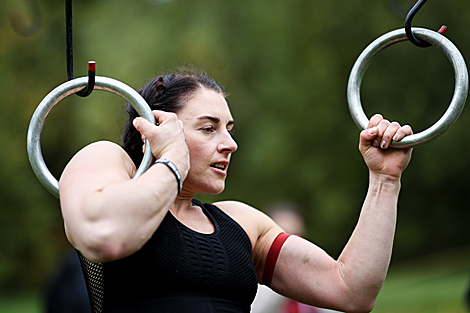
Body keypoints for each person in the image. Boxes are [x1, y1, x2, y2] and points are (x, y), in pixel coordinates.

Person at [59, 67, 413, 313]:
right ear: (153, 131)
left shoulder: (242, 223)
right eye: (208, 129)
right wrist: (172, 162)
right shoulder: (107, 160)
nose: (230, 144)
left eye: (228, 128)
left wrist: (385, 180)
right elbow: (104, 234)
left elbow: (352, 291)